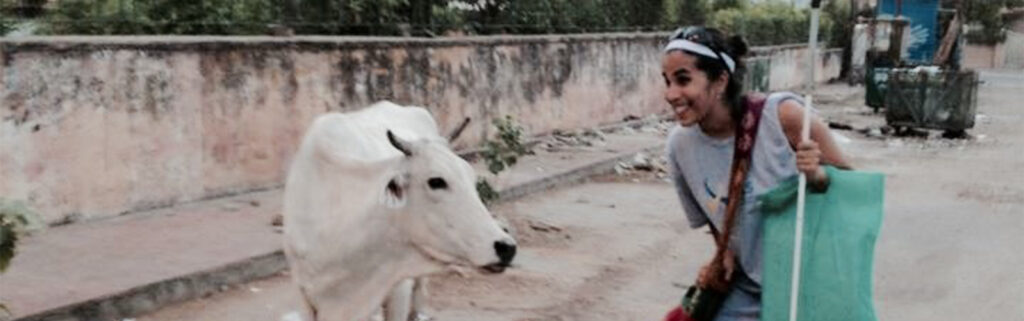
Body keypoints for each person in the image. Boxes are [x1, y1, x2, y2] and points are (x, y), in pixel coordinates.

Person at [662, 26, 852, 320]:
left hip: (808, 289)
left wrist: (818, 176)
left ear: (721, 80)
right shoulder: (680, 146)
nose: (671, 94)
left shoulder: (784, 117)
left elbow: (854, 193)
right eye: (667, 81)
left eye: (683, 80)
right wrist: (722, 252)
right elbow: (716, 216)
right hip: (747, 288)